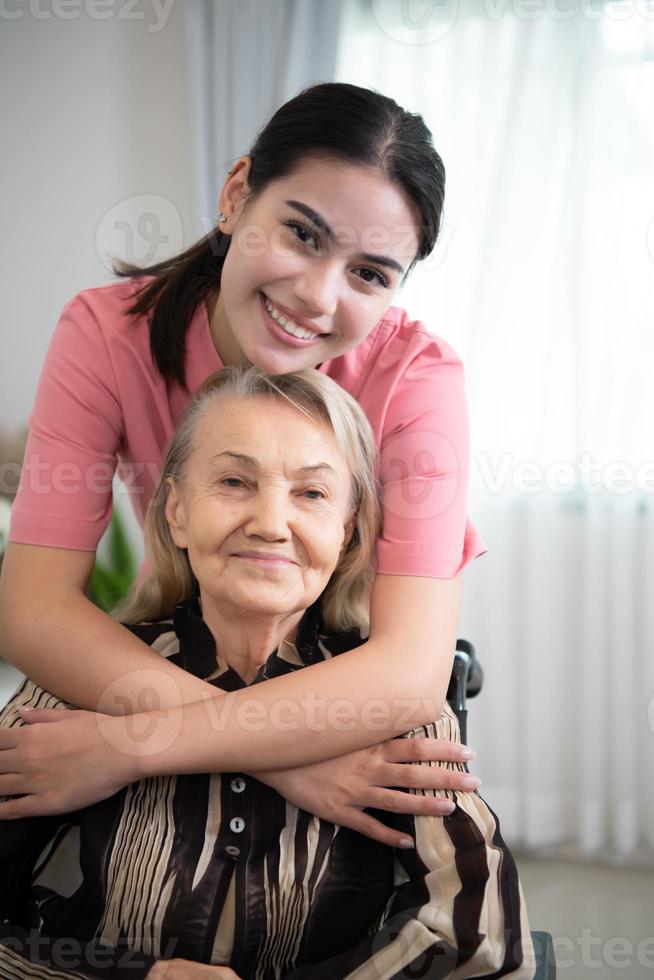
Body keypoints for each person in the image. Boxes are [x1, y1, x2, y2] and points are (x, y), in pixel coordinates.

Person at [0, 82, 487, 838]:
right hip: (183, 647)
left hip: (342, 678)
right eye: (303, 235)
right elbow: (32, 610)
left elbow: (409, 672)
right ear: (235, 197)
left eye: (369, 274)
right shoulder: (105, 334)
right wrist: (288, 761)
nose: (318, 298)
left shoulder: (420, 380)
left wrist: (133, 743)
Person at [0, 367, 535, 979]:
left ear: (348, 530)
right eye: (233, 481)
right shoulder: (74, 683)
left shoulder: (393, 707)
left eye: (311, 494)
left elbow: (479, 943)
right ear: (175, 511)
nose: (270, 523)